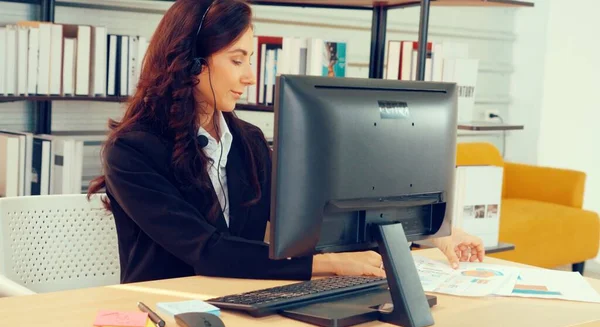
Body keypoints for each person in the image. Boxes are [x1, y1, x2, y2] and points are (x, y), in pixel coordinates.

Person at [87, 0, 485, 284]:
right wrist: (330, 266)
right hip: (168, 309)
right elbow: (207, 251)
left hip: (243, 297)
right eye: (237, 59)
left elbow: (324, 217)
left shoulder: (249, 142)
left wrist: (437, 233)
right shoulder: (131, 151)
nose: (248, 76)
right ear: (191, 64)